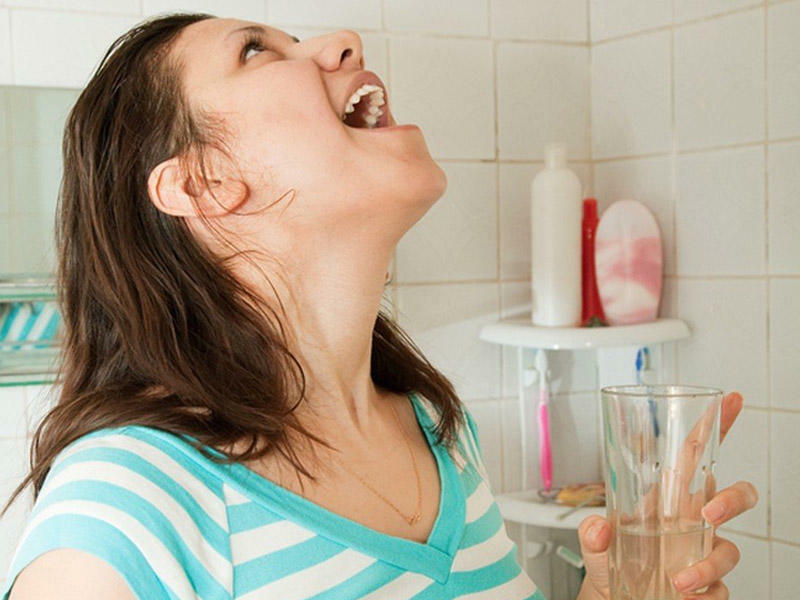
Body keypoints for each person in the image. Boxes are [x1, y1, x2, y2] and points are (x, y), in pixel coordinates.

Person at [0, 13, 757, 600]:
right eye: (256, 51)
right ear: (203, 184)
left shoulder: (436, 431)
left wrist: (618, 592)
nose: (343, 43)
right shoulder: (126, 506)